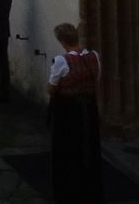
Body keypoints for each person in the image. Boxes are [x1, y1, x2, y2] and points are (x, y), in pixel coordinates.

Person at [47, 22, 103, 204]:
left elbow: (52, 87)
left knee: (67, 147)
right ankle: (90, 185)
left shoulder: (61, 61)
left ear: (63, 41)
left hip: (68, 110)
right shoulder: (94, 56)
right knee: (88, 144)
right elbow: (96, 78)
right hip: (89, 107)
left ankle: (69, 189)